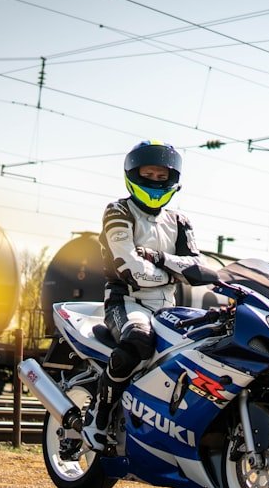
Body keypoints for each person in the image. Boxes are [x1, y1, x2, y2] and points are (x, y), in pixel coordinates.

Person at [86, 140, 204, 441]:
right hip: (125, 301)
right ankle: (100, 413)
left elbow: (197, 268)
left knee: (201, 353)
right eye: (148, 174)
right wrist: (174, 273)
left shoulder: (180, 221)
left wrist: (162, 260)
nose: (154, 181)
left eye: (161, 176)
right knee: (138, 339)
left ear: (171, 179)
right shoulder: (118, 211)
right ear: (133, 174)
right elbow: (131, 270)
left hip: (168, 309)